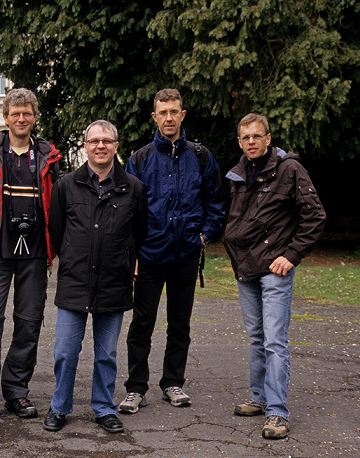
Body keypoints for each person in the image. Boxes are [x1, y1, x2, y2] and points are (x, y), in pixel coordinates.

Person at [119, 88, 225, 414]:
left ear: (182, 115)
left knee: (180, 323)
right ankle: (136, 388)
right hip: (150, 255)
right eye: (162, 112)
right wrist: (134, 251)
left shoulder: (201, 156)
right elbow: (128, 210)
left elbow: (216, 202)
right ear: (154, 116)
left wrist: (205, 235)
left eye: (174, 111)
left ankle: (172, 383)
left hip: (186, 254)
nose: (168, 117)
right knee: (142, 324)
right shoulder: (139, 158)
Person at [0, 88, 62, 428]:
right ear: (5, 117)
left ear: (35, 117)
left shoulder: (49, 155)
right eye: (15, 113)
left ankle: (16, 390)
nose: (22, 119)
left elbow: (57, 204)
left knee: (29, 323)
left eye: (27, 113)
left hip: (35, 253)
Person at [224, 113, 325, 439]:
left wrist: (292, 255)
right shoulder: (238, 172)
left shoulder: (290, 169)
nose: (251, 141)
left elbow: (315, 216)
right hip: (246, 268)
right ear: (240, 142)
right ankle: (259, 398)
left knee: (274, 340)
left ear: (268, 138)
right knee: (256, 337)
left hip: (275, 269)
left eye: (257, 136)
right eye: (245, 137)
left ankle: (278, 412)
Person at [43, 120, 147, 434]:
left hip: (114, 282)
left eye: (106, 140)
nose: (100, 146)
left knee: (107, 353)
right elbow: (56, 231)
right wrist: (75, 256)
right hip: (74, 280)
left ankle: (103, 408)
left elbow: (139, 234)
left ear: (116, 146)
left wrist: (123, 262)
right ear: (85, 146)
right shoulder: (66, 185)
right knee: (64, 351)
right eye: (94, 141)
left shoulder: (133, 187)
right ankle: (59, 407)